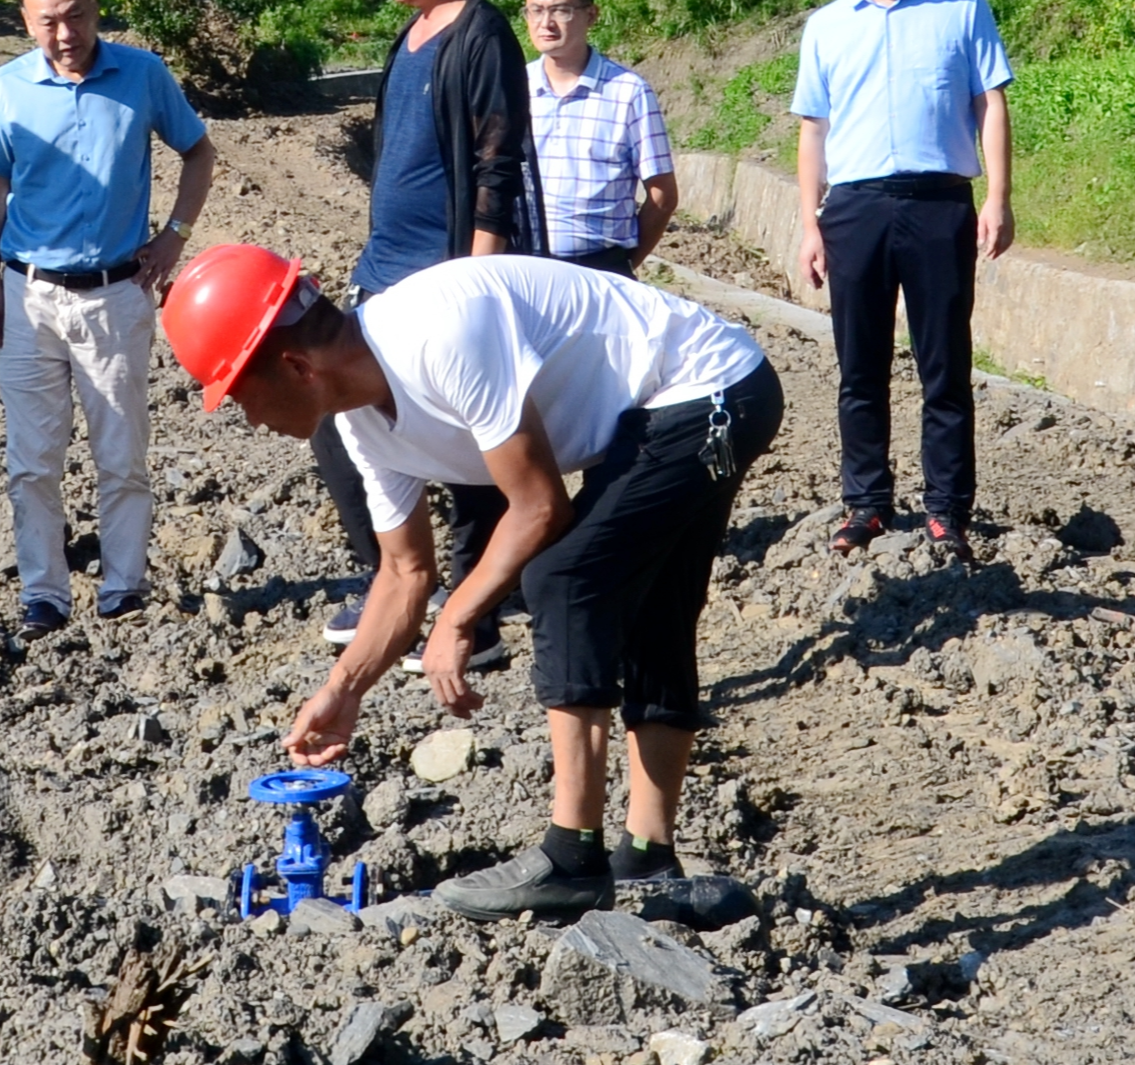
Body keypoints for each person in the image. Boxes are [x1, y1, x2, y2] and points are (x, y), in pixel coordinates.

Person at [161, 245, 784, 916]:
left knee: (565, 576)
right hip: (667, 407)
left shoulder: (439, 333)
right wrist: (344, 689)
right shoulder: (363, 425)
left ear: (295, 366)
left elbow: (540, 507)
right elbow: (404, 572)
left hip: (712, 389)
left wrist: (458, 615)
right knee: (650, 606)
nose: (250, 418)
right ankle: (648, 858)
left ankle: (572, 856)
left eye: (239, 394)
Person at [310, 0, 546, 669]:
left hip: (445, 276)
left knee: (474, 445)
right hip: (383, 272)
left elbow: (497, 165)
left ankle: (477, 615)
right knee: (338, 421)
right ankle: (396, 582)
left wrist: (476, 282)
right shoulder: (410, 36)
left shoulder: (482, 37)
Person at [0, 0, 216, 637]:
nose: (65, 33)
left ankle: (123, 587)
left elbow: (198, 153)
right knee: (32, 461)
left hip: (116, 294)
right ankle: (44, 594)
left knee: (121, 452)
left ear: (95, 9)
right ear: (27, 24)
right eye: (48, 21)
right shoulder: (7, 88)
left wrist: (174, 236)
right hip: (28, 297)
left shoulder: (142, 75)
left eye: (75, 15)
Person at [792, 0, 1014, 563]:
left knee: (944, 365)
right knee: (859, 367)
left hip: (938, 204)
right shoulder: (826, 26)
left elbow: (991, 103)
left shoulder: (960, 7)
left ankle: (947, 508)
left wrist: (999, 198)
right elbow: (813, 130)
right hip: (854, 210)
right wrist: (809, 223)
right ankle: (867, 503)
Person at [524, 0, 677, 278]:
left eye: (560, 10)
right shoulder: (513, 87)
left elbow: (662, 195)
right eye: (536, 10)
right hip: (524, 267)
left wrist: (624, 265)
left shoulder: (628, 92)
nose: (545, 23)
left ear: (591, 15)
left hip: (598, 269)